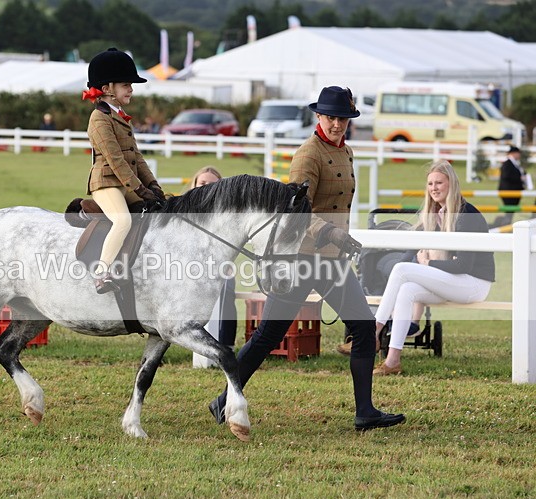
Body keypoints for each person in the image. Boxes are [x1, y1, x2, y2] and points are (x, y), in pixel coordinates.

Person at [208, 86, 405, 431]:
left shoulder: (346, 153)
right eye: (330, 117)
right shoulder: (308, 155)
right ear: (318, 117)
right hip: (301, 257)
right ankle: (223, 401)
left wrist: (338, 239)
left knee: (361, 328)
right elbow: (297, 211)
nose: (336, 124)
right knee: (268, 336)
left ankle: (365, 412)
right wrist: (331, 233)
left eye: (342, 118)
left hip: (331, 261)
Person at [373, 160, 495, 375]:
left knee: (402, 270)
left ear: (452, 184)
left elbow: (463, 265)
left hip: (473, 284)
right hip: (453, 283)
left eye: (439, 182)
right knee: (406, 290)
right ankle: (392, 362)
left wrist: (427, 263)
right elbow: (412, 248)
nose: (434, 188)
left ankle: (373, 331)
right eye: (430, 184)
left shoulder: (466, 215)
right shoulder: (438, 214)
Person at [83, 47, 165, 294]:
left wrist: (153, 186)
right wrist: (138, 187)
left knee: (159, 210)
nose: (131, 89)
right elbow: (116, 159)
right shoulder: (99, 118)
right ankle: (101, 274)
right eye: (126, 85)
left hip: (126, 183)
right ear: (108, 88)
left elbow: (136, 158)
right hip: (106, 183)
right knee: (122, 220)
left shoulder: (120, 116)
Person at [189, 167, 237, 368]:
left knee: (226, 288)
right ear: (195, 185)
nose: (207, 187)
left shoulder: (227, 212)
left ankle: (226, 345)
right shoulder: (187, 208)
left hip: (219, 265)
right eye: (203, 183)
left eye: (213, 184)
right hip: (188, 266)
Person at [496, 146, 531, 226]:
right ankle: (505, 225)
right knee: (509, 211)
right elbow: (506, 176)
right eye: (518, 153)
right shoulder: (507, 163)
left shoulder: (515, 164)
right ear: (514, 153)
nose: (519, 155)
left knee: (510, 211)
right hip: (508, 191)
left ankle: (506, 224)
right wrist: (520, 178)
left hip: (514, 191)